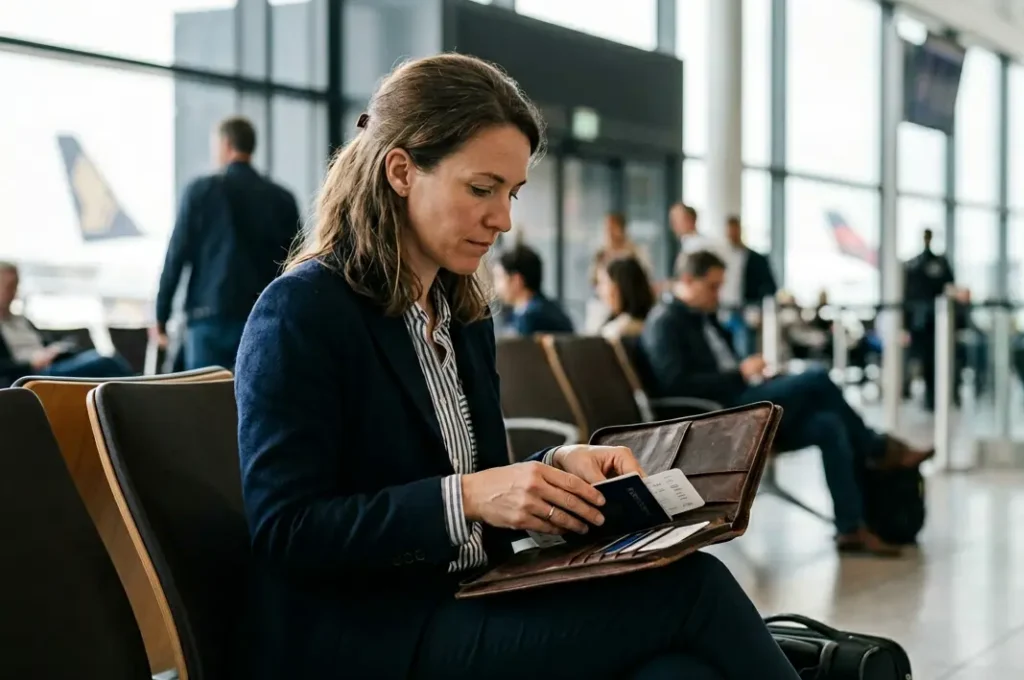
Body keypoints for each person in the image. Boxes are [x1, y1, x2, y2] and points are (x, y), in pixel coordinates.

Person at [233, 54, 798, 680]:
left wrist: (550, 473)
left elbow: (467, 484)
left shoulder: (460, 315)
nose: (503, 219)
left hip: (474, 594)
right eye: (482, 189)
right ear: (401, 171)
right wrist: (472, 496)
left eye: (512, 193)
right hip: (373, 632)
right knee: (695, 588)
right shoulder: (302, 311)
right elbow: (288, 530)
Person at [640, 249, 933, 557]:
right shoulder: (666, 323)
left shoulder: (702, 319)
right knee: (817, 378)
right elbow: (676, 384)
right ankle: (878, 449)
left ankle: (851, 529)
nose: (718, 294)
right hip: (722, 416)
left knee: (828, 425)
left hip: (741, 399)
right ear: (687, 280)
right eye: (712, 286)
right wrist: (738, 374)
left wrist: (752, 375)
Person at [155, 116, 302, 371]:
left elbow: (176, 255)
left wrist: (161, 314)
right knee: (249, 402)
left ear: (225, 144)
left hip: (207, 319)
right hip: (260, 318)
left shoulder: (200, 191)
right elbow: (296, 264)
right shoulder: (282, 199)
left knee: (201, 403)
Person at [0, 262, 133, 384]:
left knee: (103, 360)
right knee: (105, 363)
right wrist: (31, 363)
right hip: (31, 376)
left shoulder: (22, 320)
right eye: (9, 286)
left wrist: (55, 350)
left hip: (52, 365)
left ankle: (136, 392)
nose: (14, 292)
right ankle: (140, 392)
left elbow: (48, 344)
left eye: (16, 285)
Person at [903, 228, 955, 411]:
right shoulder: (915, 265)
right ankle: (930, 398)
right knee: (925, 362)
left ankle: (939, 397)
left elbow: (949, 288)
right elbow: (908, 298)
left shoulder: (935, 263)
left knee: (938, 362)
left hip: (938, 322)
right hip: (921, 324)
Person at [721, 216, 777, 356]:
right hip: (722, 309)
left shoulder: (756, 258)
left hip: (745, 310)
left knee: (744, 349)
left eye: (735, 231)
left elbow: (770, 287)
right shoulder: (721, 258)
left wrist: (758, 308)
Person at [493, 243, 575, 336]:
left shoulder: (531, 318)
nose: (496, 286)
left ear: (516, 280)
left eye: (499, 277)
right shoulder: (547, 309)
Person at [595, 255, 655, 340]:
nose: (599, 290)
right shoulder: (652, 322)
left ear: (620, 288)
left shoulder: (618, 330)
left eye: (603, 283)